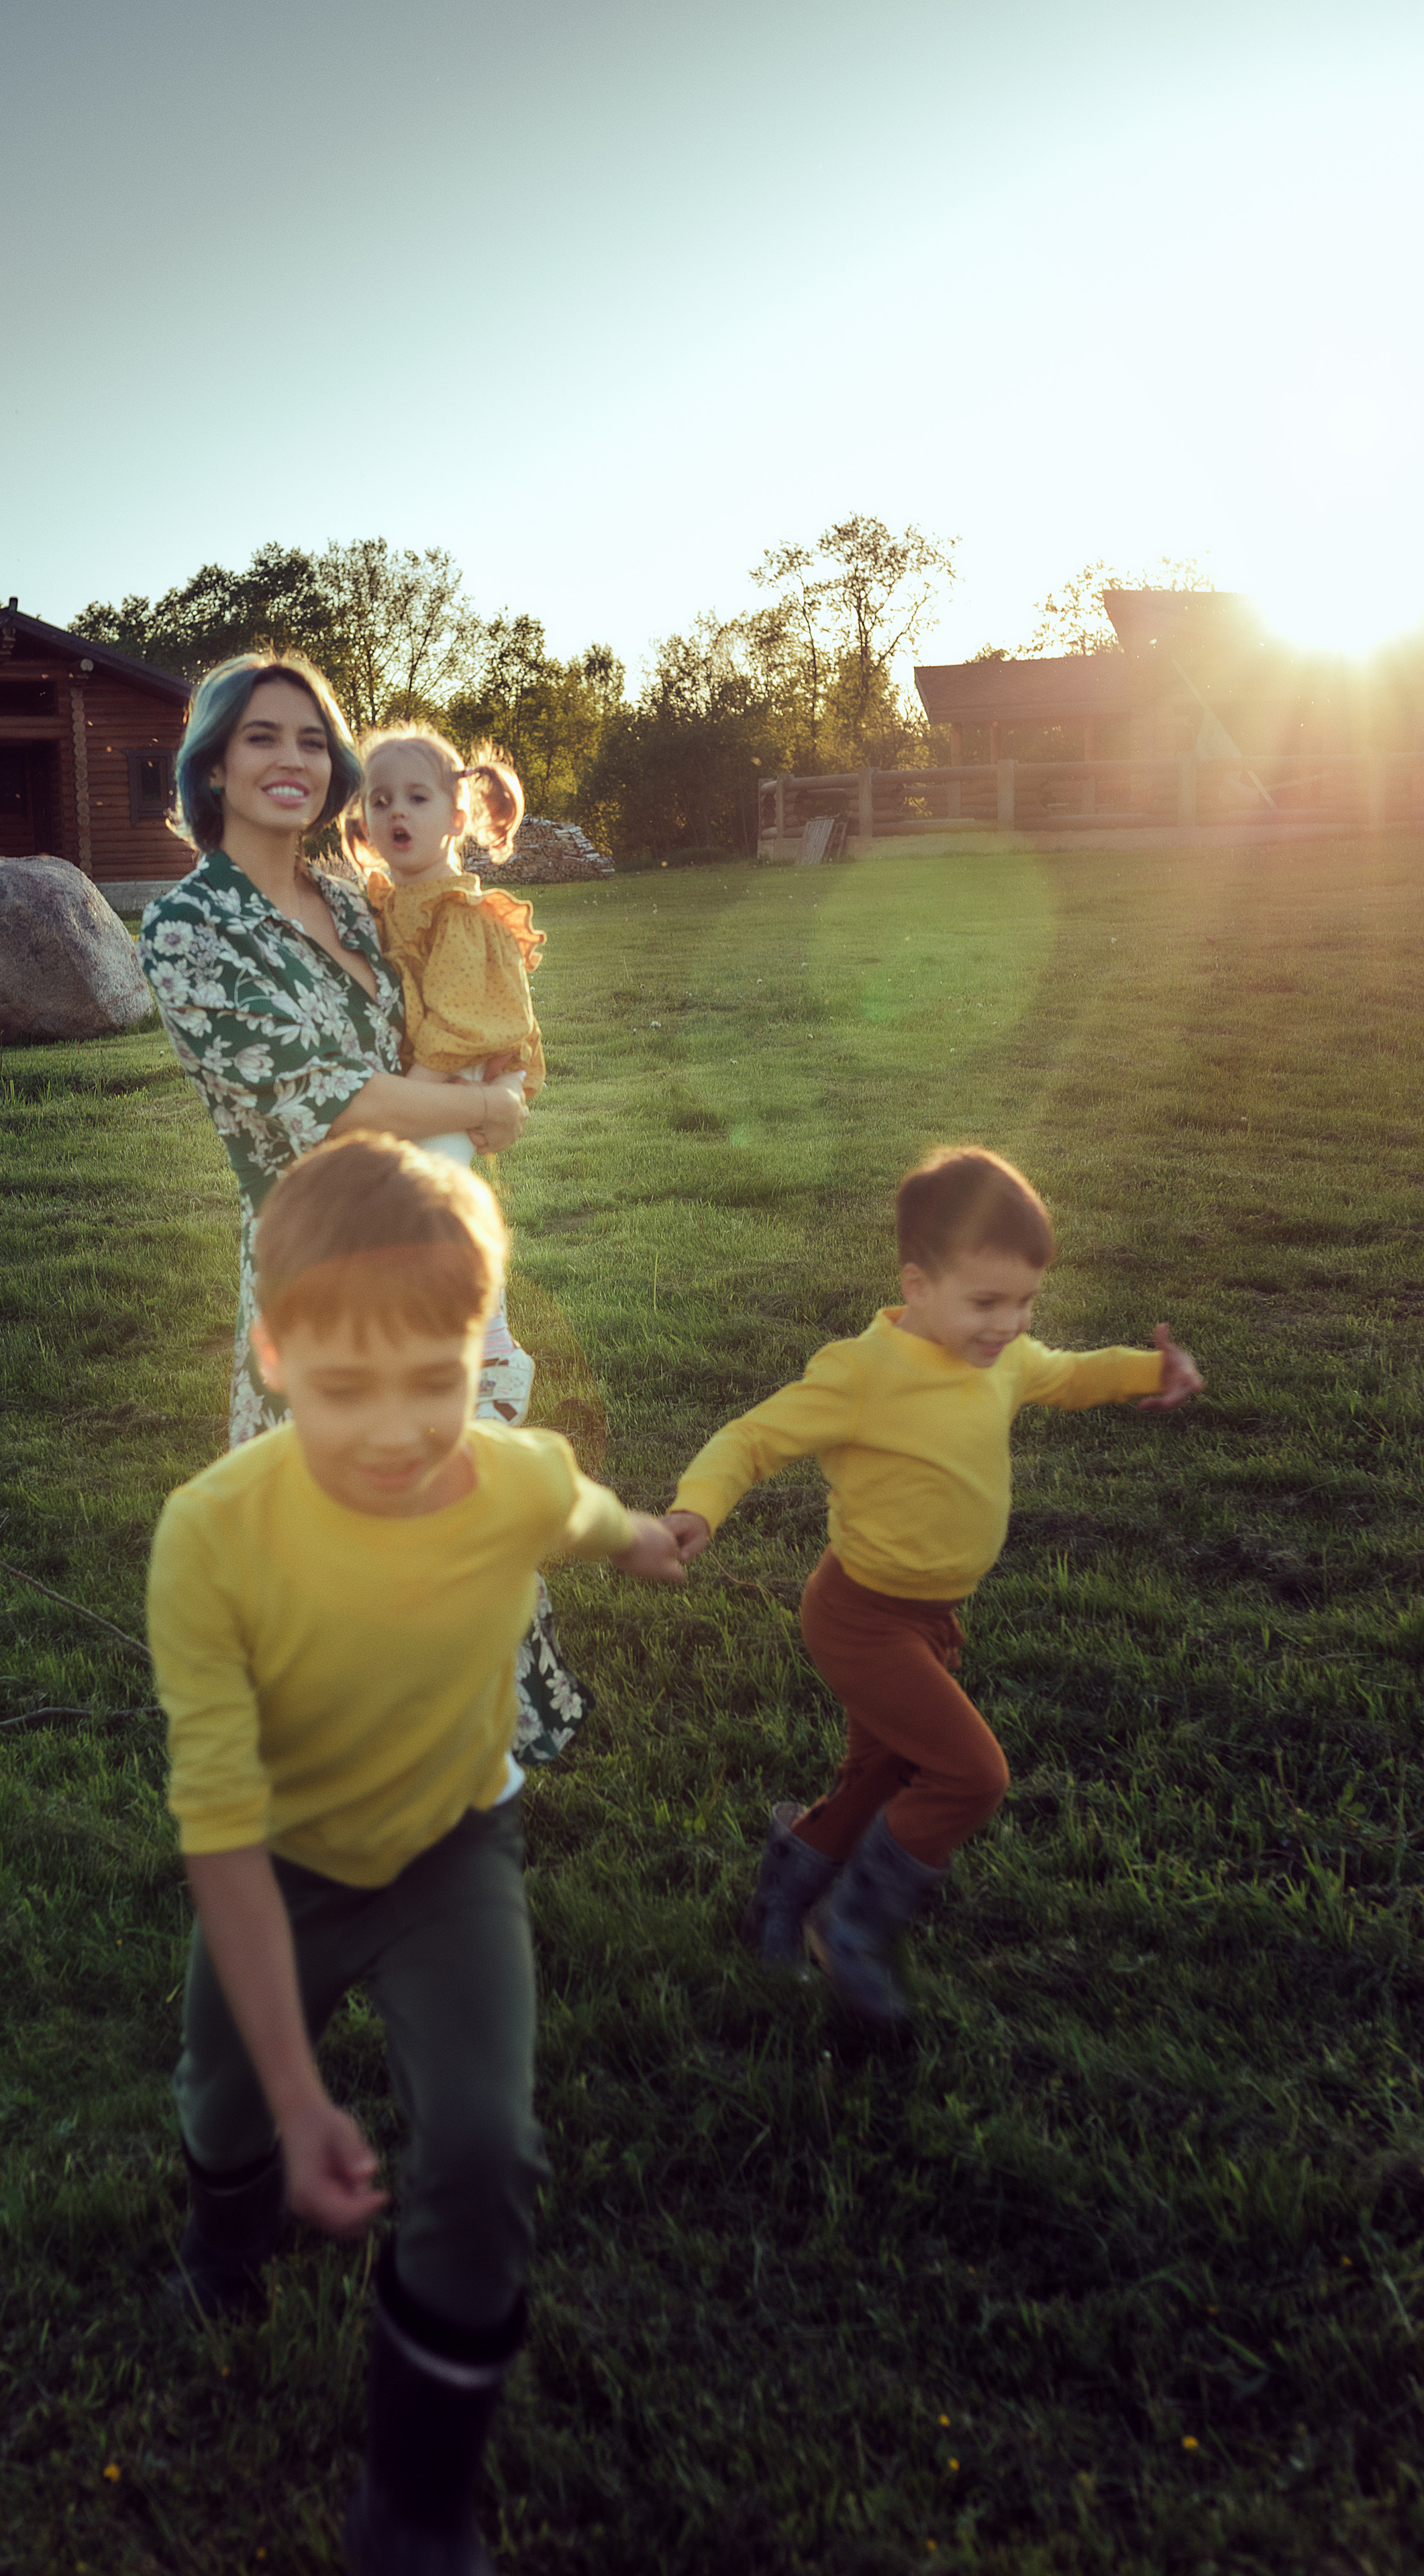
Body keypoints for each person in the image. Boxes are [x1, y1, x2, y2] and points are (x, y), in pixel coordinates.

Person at [146, 1134, 685, 2573]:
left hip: (455, 1856)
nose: (394, 1430)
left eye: (433, 1384)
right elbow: (217, 1830)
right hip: (279, 1868)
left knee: (485, 2147)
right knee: (226, 2109)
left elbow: (579, 1514)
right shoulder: (210, 1538)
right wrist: (297, 2085)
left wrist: (640, 1542)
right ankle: (224, 2240)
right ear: (269, 1356)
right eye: (341, 1390)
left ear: (480, 1355)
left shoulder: (511, 1478)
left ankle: (417, 2501)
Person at [137, 653, 587, 1762]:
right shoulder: (190, 926)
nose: (290, 760)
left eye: (308, 740)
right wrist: (477, 1110)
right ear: (212, 765)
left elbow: (450, 1020)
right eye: (260, 738)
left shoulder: (354, 898)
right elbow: (318, 1101)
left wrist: (498, 1082)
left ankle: (489, 1723)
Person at [663, 1147, 1204, 2028]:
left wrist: (1149, 1370)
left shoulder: (1004, 1358)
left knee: (878, 1779)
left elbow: (1065, 1373)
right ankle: (854, 1930)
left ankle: (776, 1905)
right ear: (916, 1284)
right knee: (968, 1775)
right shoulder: (863, 1373)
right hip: (860, 1618)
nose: (1009, 1324)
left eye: (1026, 1301)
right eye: (986, 1302)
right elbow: (751, 1439)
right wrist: (699, 1509)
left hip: (928, 1618)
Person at [344, 724, 545, 1427]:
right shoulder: (381, 903)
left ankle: (495, 1352)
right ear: (361, 819)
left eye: (417, 798)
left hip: (460, 1076)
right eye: (381, 800)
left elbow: (462, 1022)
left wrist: (407, 1102)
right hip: (423, 1083)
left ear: (456, 816)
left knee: (439, 1197)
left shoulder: (458, 911)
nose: (397, 812)